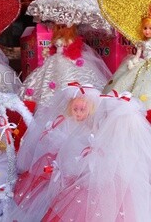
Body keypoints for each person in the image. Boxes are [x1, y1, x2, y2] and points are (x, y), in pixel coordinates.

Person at [43, 91, 151, 221]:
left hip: (97, 188)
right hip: (117, 190)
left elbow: (94, 168)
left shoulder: (104, 145)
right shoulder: (126, 148)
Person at [6, 84, 101, 222]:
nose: (78, 113)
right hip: (56, 161)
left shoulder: (89, 128)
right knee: (46, 188)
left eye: (82, 110)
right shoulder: (64, 122)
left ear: (90, 110)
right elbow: (54, 139)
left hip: (76, 165)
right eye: (75, 109)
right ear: (70, 108)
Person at [19, 23, 111, 108]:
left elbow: (73, 49)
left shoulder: (69, 39)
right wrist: (49, 52)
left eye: (62, 27)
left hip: (67, 59)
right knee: (48, 77)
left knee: (66, 78)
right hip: (55, 59)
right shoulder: (57, 37)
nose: (60, 29)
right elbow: (54, 48)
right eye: (59, 27)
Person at [103, 16, 151, 119]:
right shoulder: (142, 42)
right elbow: (138, 55)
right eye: (145, 28)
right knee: (131, 82)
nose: (147, 31)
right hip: (144, 65)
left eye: (150, 28)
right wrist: (133, 62)